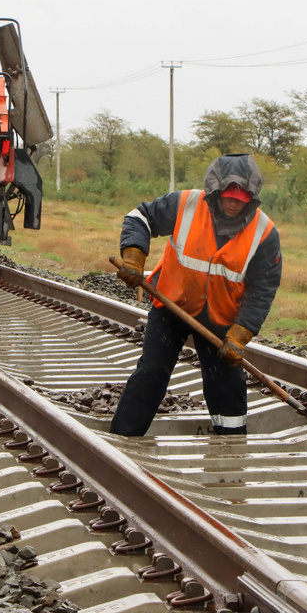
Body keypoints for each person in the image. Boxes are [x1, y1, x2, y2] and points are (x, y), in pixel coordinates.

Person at [110, 154, 282, 436]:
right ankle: (123, 437)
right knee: (151, 372)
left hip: (220, 318)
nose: (233, 202)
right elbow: (139, 217)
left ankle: (232, 446)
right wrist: (133, 256)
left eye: (240, 198)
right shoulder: (186, 204)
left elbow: (263, 289)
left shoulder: (264, 233)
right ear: (215, 191)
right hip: (171, 305)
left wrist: (239, 335)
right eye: (228, 195)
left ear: (252, 197)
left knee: (226, 384)